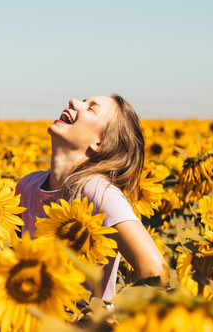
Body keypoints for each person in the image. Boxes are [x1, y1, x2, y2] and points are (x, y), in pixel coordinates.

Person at [16, 95, 165, 303]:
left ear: (99, 143)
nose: (73, 102)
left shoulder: (97, 191)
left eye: (91, 108)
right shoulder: (27, 186)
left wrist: (111, 320)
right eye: (82, 101)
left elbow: (154, 269)